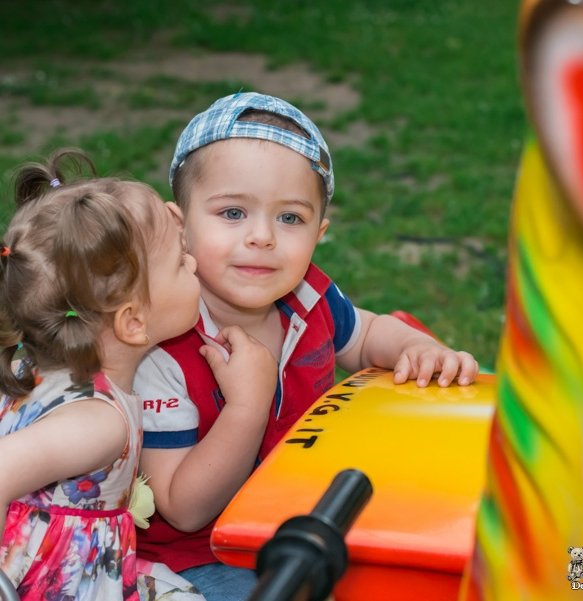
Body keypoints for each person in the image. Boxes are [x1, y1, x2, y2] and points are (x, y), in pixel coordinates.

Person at [134, 92, 480, 601]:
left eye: (290, 219)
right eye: (232, 212)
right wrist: (247, 408)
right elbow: (182, 508)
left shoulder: (309, 296)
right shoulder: (161, 345)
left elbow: (363, 336)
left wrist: (416, 345)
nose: (262, 237)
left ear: (319, 232)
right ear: (179, 226)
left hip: (305, 515)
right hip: (202, 558)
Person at [0, 148, 210, 600]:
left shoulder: (31, 362)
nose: (193, 264)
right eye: (180, 262)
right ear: (133, 322)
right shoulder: (97, 423)